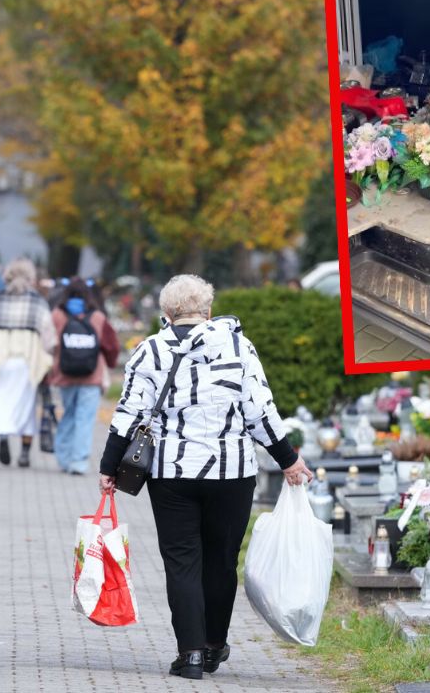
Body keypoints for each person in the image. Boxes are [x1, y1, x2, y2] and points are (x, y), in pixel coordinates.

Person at [98, 274, 313, 680]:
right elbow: (260, 411)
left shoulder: (149, 351)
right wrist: (289, 460)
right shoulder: (238, 347)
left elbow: (128, 414)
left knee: (182, 561)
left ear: (166, 313)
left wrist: (109, 468)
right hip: (232, 473)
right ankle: (215, 644)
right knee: (221, 561)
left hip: (173, 473)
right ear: (208, 310)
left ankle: (190, 653)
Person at [0, 258, 56, 468]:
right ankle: (24, 453)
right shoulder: (37, 302)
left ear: (7, 277)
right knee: (27, 408)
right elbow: (49, 337)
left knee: (2, 403)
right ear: (31, 278)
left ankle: (4, 436)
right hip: (27, 364)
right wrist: (50, 360)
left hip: (0, 364)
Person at [50, 278, 121, 475]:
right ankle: (78, 462)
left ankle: (63, 458)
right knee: (85, 418)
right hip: (92, 375)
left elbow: (48, 343)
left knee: (69, 414)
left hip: (64, 374)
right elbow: (112, 345)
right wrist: (110, 363)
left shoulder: (57, 315)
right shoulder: (97, 316)